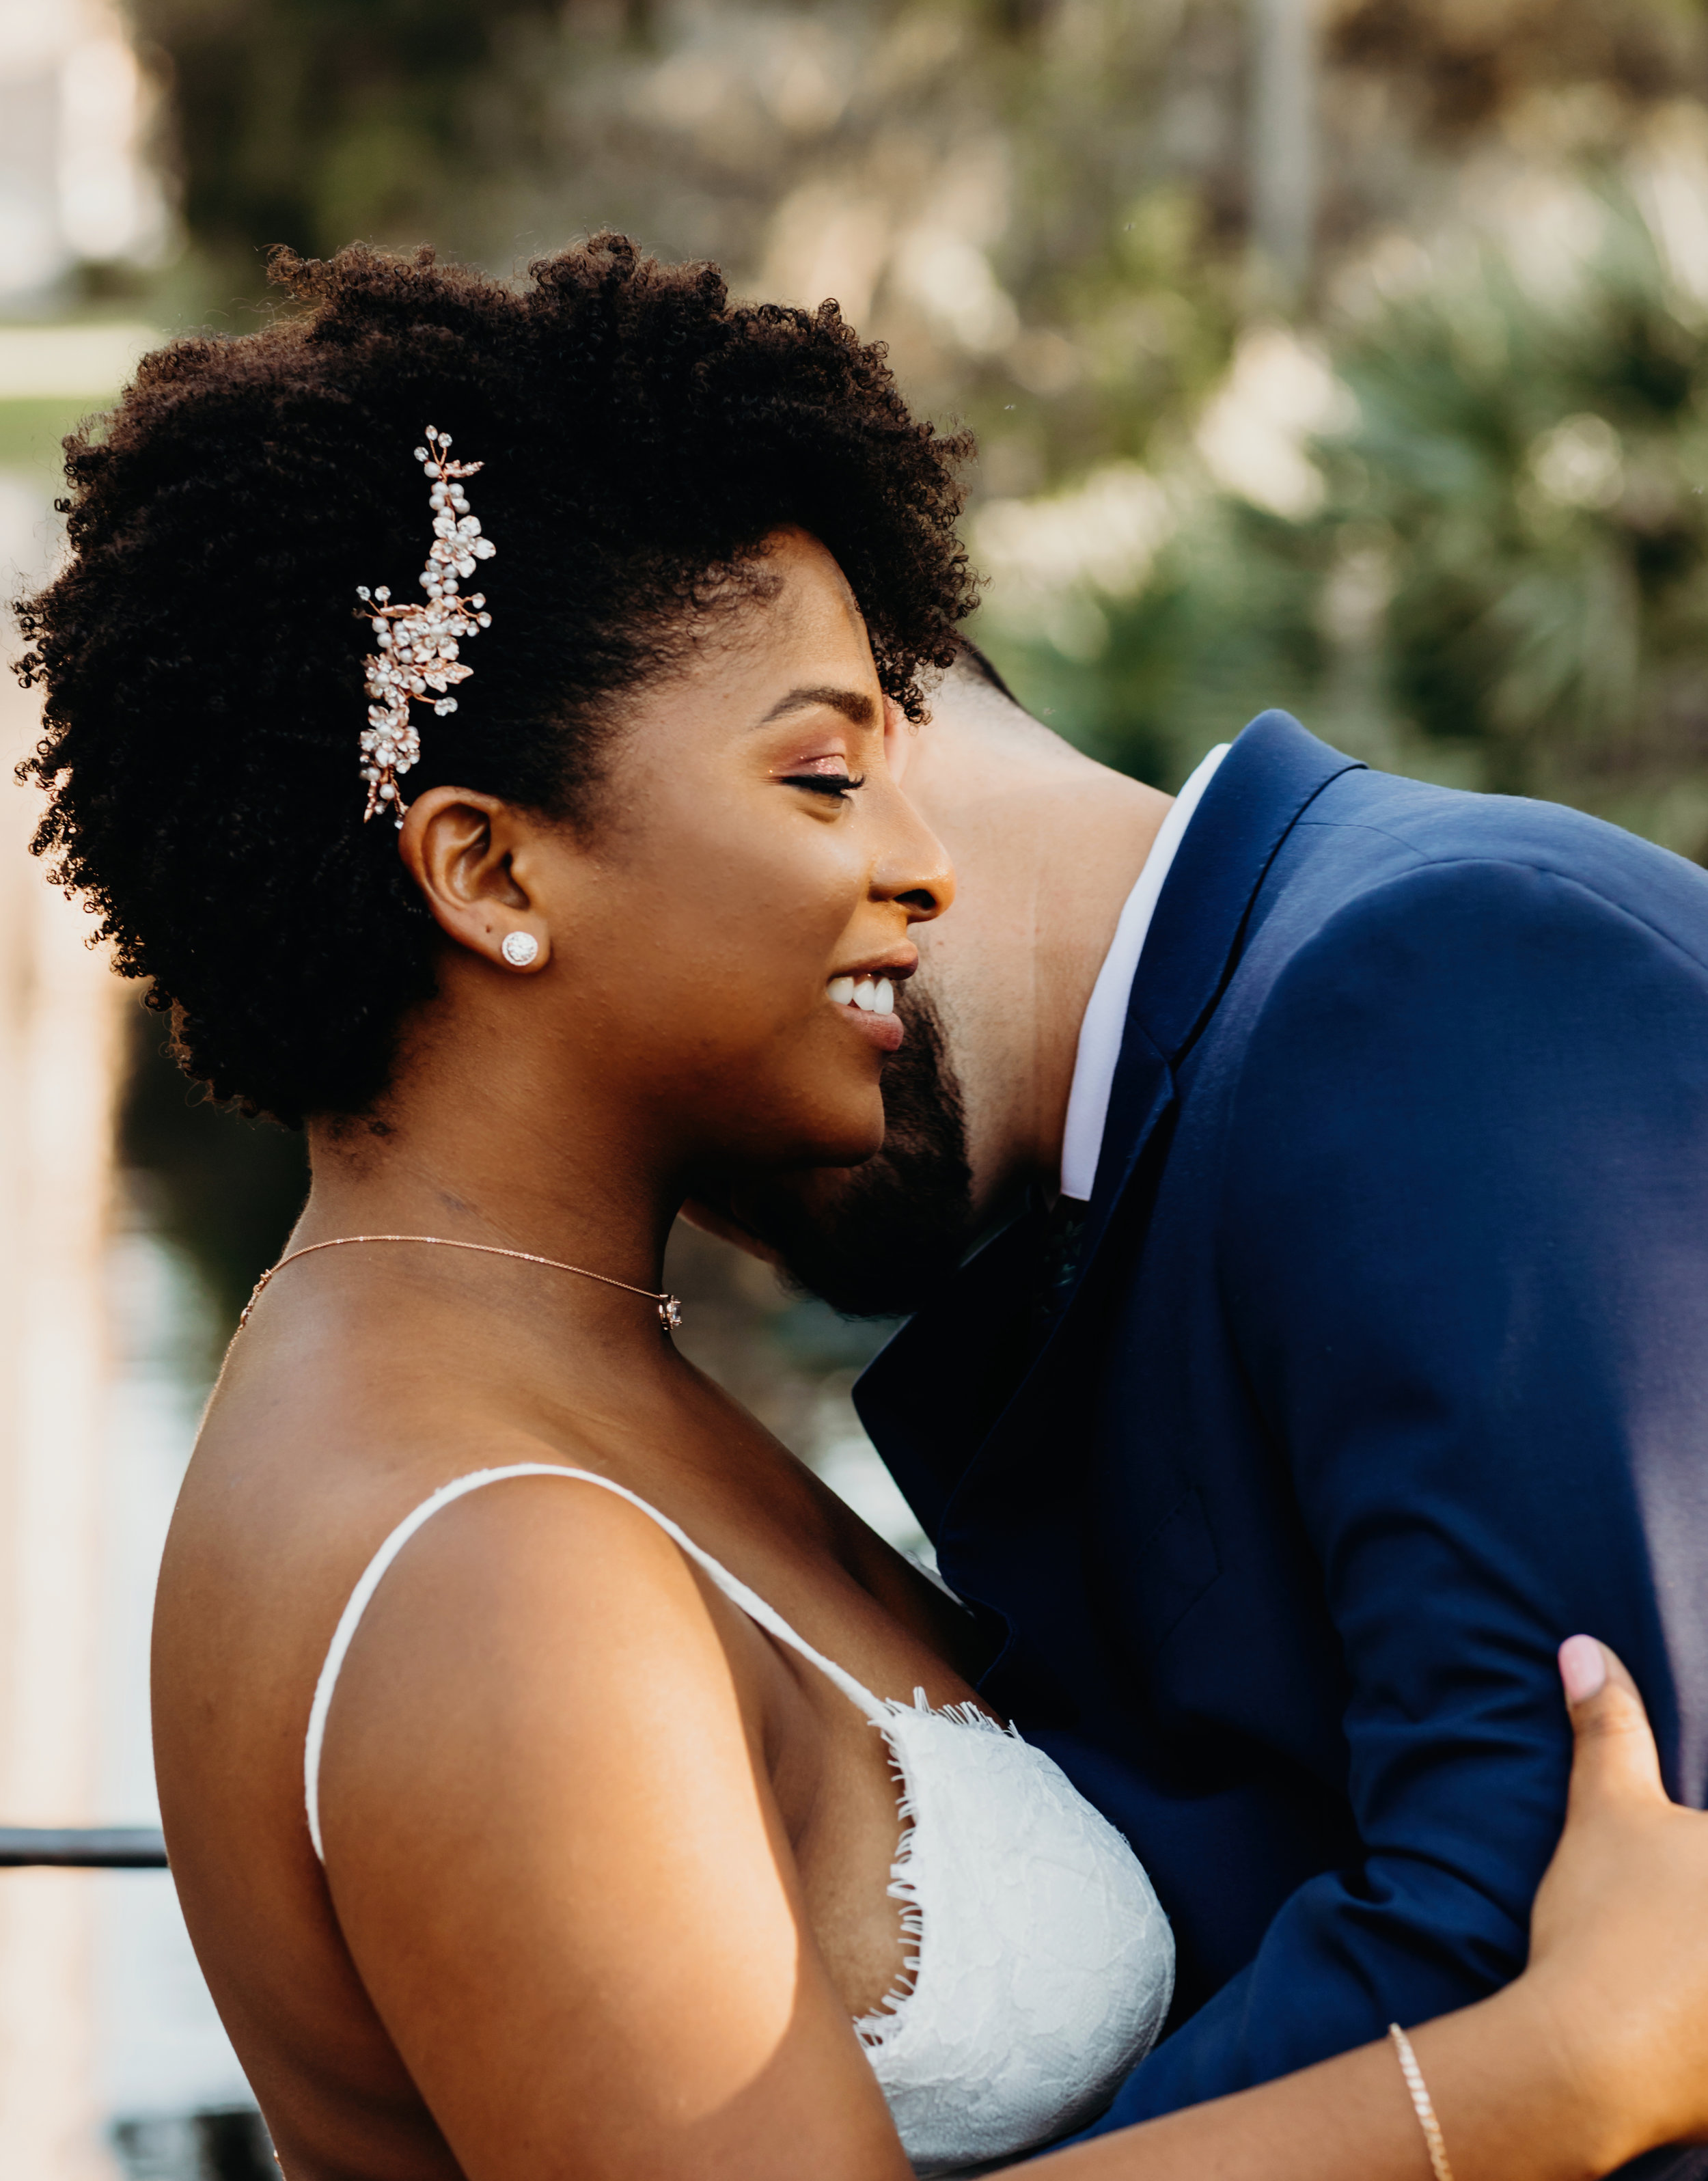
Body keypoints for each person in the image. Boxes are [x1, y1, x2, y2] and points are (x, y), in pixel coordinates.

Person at [10, 236, 1708, 2181]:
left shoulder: (552, 1398)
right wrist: (1541, 2081)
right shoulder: (487, 1555)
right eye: (822, 779)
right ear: (484, 869)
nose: (920, 867)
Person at [706, 646, 1708, 2176]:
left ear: (861, 731)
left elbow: (1547, 1922)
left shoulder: (1434, 974)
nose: (712, 1172)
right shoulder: (1220, 1090)